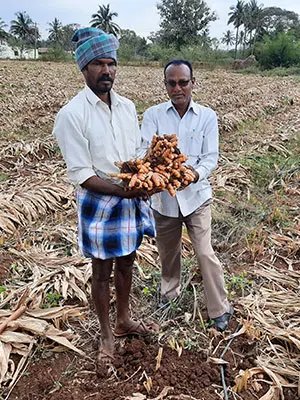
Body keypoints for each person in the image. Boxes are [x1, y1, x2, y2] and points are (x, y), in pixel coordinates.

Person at [53, 27, 158, 365]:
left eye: (111, 63)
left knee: (127, 259)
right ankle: (106, 335)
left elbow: (138, 150)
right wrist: (123, 189)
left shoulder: (127, 107)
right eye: (98, 64)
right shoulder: (72, 115)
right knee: (101, 271)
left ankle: (125, 319)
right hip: (100, 200)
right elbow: (82, 174)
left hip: (130, 195)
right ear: (83, 69)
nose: (106, 71)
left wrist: (149, 172)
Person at [140, 59, 233, 331]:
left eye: (183, 82)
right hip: (164, 200)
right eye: (172, 83)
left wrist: (193, 174)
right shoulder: (153, 115)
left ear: (193, 83)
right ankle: (169, 295)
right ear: (165, 85)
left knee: (205, 253)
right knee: (168, 254)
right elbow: (145, 151)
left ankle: (219, 307)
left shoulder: (207, 116)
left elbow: (210, 157)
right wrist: (157, 166)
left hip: (197, 197)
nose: (178, 88)